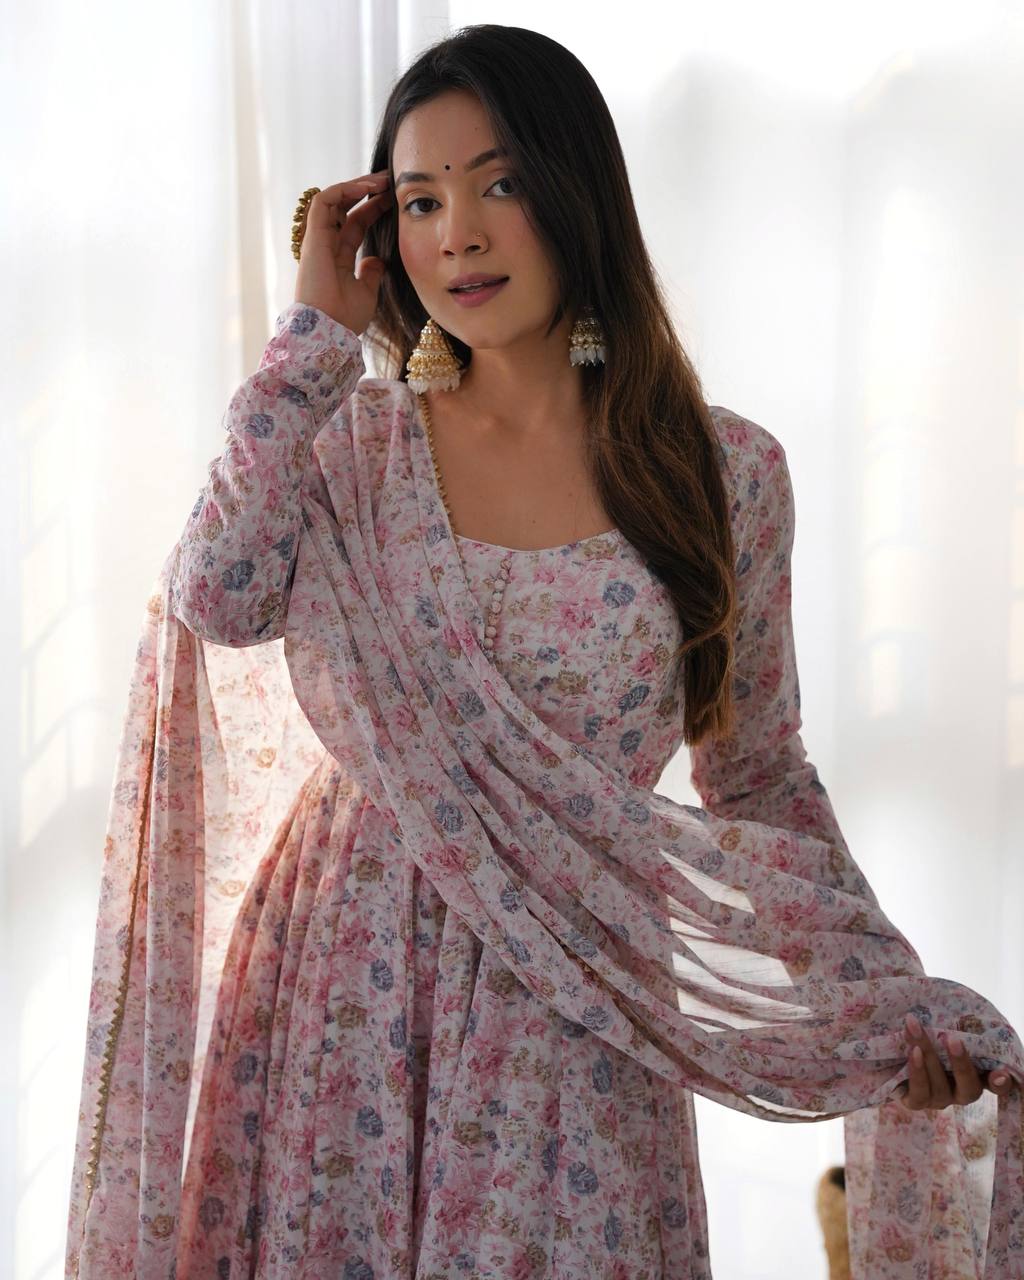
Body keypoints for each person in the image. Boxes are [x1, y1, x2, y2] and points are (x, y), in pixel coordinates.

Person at [64, 23, 1021, 1280]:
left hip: (577, 1001)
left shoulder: (721, 472)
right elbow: (217, 597)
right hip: (343, 986)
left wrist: (875, 994)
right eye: (420, 199)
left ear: (577, 195)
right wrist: (307, 338)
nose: (458, 234)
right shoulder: (349, 449)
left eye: (500, 183)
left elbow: (758, 775)